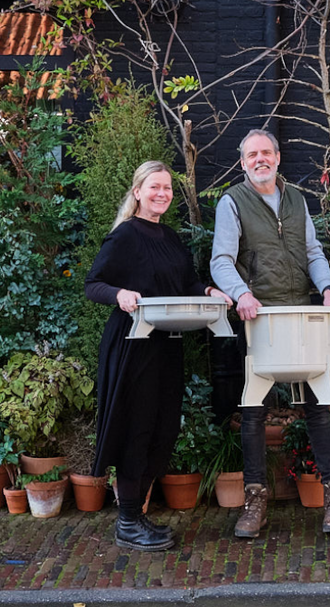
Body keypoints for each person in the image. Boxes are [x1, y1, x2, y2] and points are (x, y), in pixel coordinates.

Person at [85, 160, 232, 552]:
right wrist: (119, 294)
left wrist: (208, 292)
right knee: (135, 429)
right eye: (154, 187)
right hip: (132, 347)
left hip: (168, 346)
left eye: (167, 188)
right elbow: (93, 284)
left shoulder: (169, 236)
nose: (162, 194)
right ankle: (127, 521)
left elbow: (186, 282)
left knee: (162, 432)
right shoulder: (125, 236)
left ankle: (137, 515)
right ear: (137, 192)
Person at [211, 128, 330, 538]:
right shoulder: (232, 202)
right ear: (243, 162)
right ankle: (254, 501)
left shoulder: (296, 199)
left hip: (301, 315)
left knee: (316, 405)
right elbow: (221, 260)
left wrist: (326, 291)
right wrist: (242, 295)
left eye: (266, 152)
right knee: (253, 411)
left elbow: (312, 252)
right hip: (259, 319)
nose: (260, 159)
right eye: (252, 154)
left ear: (277, 157)